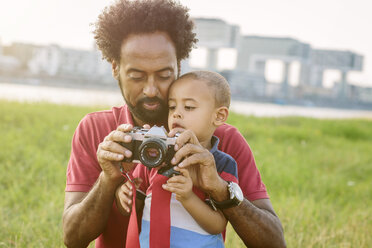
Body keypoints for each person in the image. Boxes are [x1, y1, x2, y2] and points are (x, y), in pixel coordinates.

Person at [62, 0, 286, 247]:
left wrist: (221, 189)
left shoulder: (221, 139)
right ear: (115, 68)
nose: (150, 90)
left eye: (164, 75)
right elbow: (73, 239)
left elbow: (273, 242)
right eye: (136, 76)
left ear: (179, 66)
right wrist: (108, 180)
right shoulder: (96, 130)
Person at [117, 71, 238, 247]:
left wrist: (188, 198)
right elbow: (132, 208)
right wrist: (124, 195)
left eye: (188, 107)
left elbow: (218, 224)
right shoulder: (154, 153)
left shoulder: (221, 163)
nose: (176, 114)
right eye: (172, 107)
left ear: (219, 116)